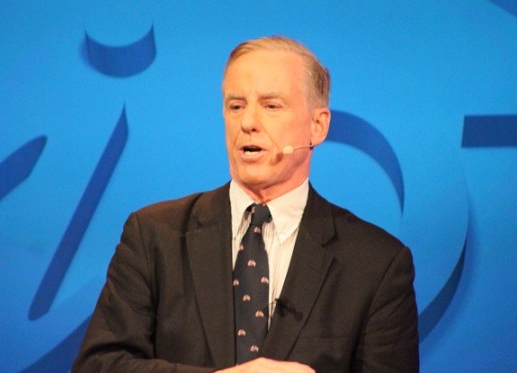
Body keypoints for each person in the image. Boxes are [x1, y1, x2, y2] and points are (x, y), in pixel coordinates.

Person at [72, 36, 419, 372]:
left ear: (317, 126)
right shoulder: (153, 237)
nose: (248, 123)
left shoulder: (376, 264)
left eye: (271, 106)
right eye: (236, 106)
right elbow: (99, 367)